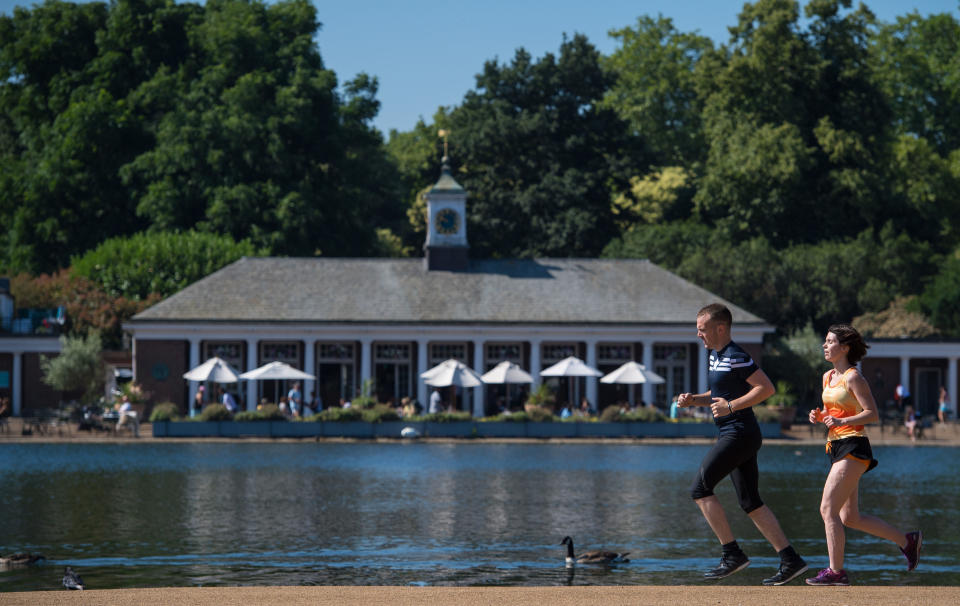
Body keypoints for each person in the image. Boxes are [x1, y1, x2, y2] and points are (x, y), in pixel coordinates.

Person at [676, 303, 807, 585]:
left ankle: (732, 554)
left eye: (702, 330)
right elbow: (719, 394)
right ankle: (790, 560)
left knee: (700, 489)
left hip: (740, 433)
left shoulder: (736, 355)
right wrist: (694, 400)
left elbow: (766, 388)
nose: (698, 335)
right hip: (736, 433)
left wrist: (732, 406)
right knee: (750, 502)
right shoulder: (715, 355)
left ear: (720, 328)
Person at [806, 324, 921, 586]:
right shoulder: (827, 377)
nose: (824, 345)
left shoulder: (853, 377)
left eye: (830, 341)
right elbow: (831, 412)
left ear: (844, 348)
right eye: (824, 341)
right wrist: (820, 416)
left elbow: (872, 414)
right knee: (850, 517)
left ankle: (836, 572)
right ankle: (907, 541)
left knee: (827, 509)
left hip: (854, 446)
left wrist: (840, 419)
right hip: (835, 447)